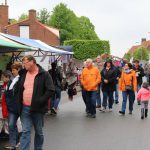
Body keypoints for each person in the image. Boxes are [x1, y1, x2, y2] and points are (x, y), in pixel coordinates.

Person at [18, 55, 55, 150]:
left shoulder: (44, 74)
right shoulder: (23, 74)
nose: (24, 65)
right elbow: (20, 89)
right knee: (26, 131)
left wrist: (40, 101)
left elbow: (50, 90)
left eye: (25, 63)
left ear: (32, 62)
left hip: (38, 109)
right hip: (24, 108)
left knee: (39, 132)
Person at [4, 63, 22, 150]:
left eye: (14, 70)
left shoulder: (22, 79)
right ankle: (13, 145)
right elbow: (8, 93)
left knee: (22, 126)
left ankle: (18, 141)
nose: (12, 72)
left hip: (20, 107)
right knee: (11, 125)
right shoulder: (11, 80)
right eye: (12, 70)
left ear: (18, 69)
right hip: (12, 107)